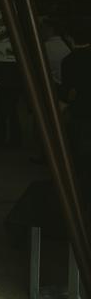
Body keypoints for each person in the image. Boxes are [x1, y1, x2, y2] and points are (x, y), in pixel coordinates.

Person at [59, 17, 91, 196]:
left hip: (80, 113)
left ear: (70, 38)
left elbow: (67, 93)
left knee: (79, 156)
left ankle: (80, 194)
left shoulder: (69, 61)